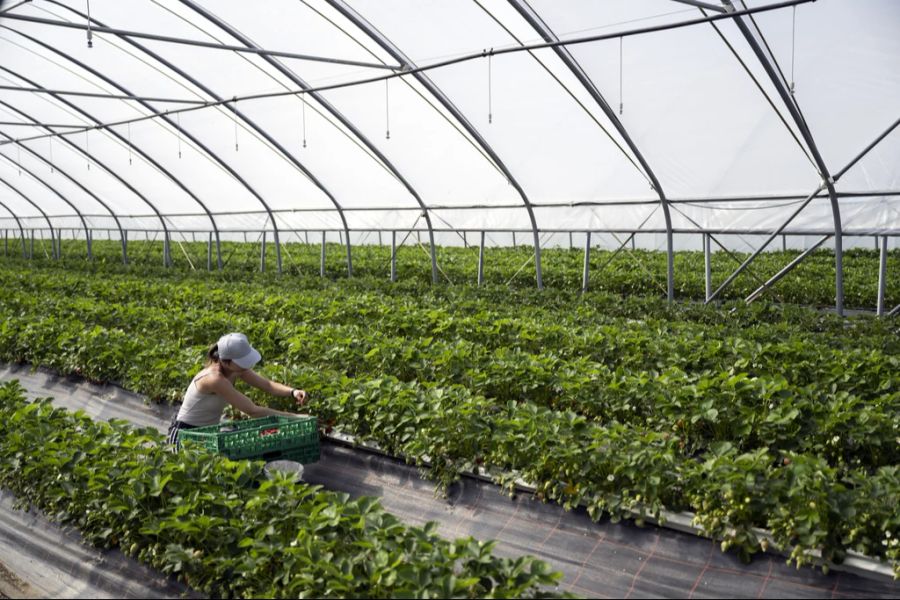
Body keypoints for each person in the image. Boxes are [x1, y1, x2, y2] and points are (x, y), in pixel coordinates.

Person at [166, 332, 308, 446]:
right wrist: (295, 418)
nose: (247, 366)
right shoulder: (215, 379)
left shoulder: (235, 369)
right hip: (185, 436)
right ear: (226, 362)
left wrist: (293, 391)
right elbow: (252, 410)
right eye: (242, 361)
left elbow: (267, 385)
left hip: (208, 434)